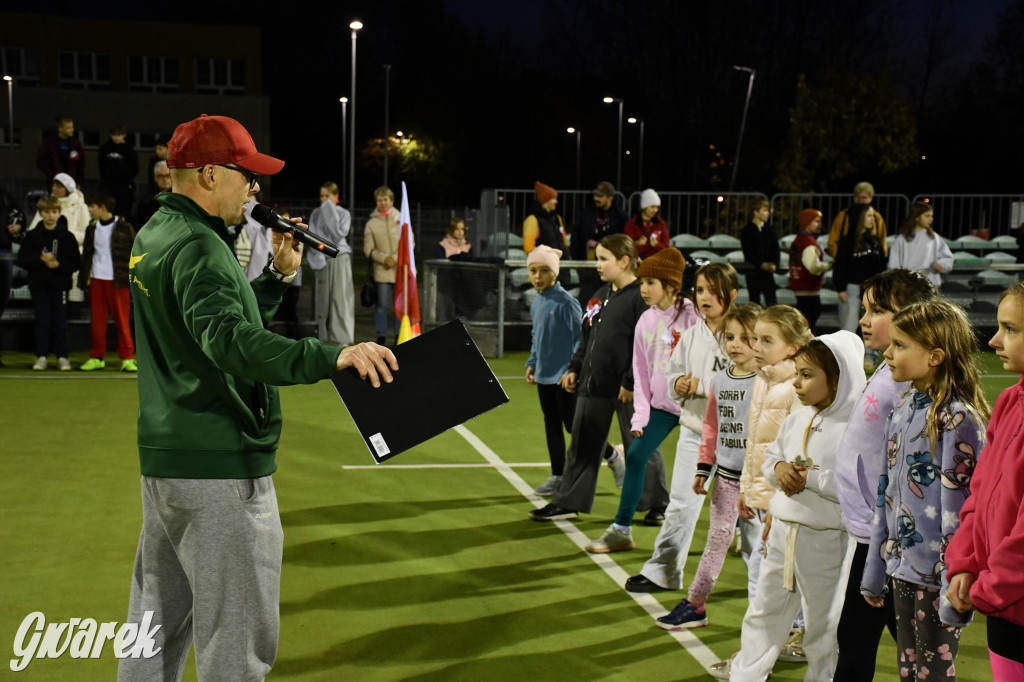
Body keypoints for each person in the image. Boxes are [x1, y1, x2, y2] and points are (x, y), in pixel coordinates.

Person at [117, 114, 398, 682]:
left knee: (153, 633)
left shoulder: (157, 232)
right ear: (211, 174)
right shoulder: (199, 245)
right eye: (247, 175)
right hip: (219, 466)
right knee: (236, 647)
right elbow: (227, 341)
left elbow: (207, 323)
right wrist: (330, 355)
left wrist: (273, 277)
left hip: (168, 463)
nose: (254, 189)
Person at [861, 299, 989, 682]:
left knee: (932, 674)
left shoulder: (958, 418)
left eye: (900, 345)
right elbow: (887, 495)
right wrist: (875, 569)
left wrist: (955, 581)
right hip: (903, 570)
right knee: (909, 671)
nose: (887, 352)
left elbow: (961, 510)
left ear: (934, 355)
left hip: (938, 577)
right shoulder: (902, 408)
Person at [730, 331, 867, 682]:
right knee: (764, 612)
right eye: (797, 374)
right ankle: (746, 675)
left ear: (838, 379)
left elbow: (859, 487)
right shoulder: (797, 417)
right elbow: (772, 455)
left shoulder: (857, 429)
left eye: (808, 375)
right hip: (783, 536)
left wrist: (812, 481)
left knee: (823, 625)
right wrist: (778, 469)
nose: (797, 383)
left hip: (826, 542)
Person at [832, 269, 938, 682]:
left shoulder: (911, 385)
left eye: (877, 310)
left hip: (892, 536)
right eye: (865, 309)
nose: (864, 319)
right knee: (859, 634)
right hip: (872, 532)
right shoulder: (886, 369)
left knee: (910, 646)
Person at [529, 234, 669, 522]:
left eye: (604, 259)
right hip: (593, 384)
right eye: (598, 259)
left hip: (630, 389)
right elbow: (587, 338)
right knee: (582, 444)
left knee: (641, 448)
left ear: (624, 261)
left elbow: (646, 346)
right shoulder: (601, 294)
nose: (598, 265)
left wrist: (630, 382)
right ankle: (568, 502)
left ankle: (657, 504)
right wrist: (575, 368)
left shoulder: (640, 298)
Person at [708, 304, 813, 677]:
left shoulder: (796, 388)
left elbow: (797, 455)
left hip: (785, 505)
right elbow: (758, 444)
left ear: (793, 346)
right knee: (780, 581)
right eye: (755, 338)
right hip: (767, 500)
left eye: (766, 340)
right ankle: (783, 644)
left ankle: (755, 661)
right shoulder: (765, 380)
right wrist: (748, 491)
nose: (754, 346)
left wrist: (776, 507)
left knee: (764, 580)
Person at [625, 263, 738, 591]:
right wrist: (679, 385)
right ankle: (663, 571)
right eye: (700, 290)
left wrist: (699, 385)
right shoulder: (692, 335)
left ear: (731, 295)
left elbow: (746, 382)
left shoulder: (745, 332)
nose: (705, 297)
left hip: (738, 438)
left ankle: (777, 599)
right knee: (682, 502)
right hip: (696, 429)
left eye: (714, 291)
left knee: (753, 515)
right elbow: (672, 376)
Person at [654, 303, 762, 629]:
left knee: (760, 550)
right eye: (730, 337)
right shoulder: (719, 381)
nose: (735, 344)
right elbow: (712, 427)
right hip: (727, 481)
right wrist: (704, 466)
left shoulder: (769, 383)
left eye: (746, 338)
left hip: (759, 485)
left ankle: (769, 619)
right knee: (717, 540)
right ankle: (695, 604)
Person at [585, 248, 699, 552]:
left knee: (723, 467)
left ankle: (745, 529)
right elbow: (640, 371)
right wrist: (640, 417)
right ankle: (622, 529)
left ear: (671, 286)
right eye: (643, 281)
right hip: (663, 408)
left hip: (698, 407)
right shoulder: (646, 320)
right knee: (635, 456)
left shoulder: (693, 314)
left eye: (650, 282)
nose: (643, 289)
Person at [946, 282, 1024, 680]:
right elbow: (979, 493)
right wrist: (965, 563)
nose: (994, 340)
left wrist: (989, 587)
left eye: (1011, 329)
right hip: (1002, 606)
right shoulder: (1010, 400)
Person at [525, 245, 582, 496]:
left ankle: (612, 456)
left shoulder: (567, 303)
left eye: (544, 270)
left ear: (555, 273)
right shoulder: (537, 302)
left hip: (564, 378)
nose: (538, 276)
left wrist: (572, 369)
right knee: (552, 426)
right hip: (544, 377)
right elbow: (537, 336)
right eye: (533, 271)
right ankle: (558, 475)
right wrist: (532, 362)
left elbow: (582, 339)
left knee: (573, 427)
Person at [16, 194, 81, 371]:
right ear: (41, 213)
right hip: (39, 286)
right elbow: (22, 259)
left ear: (59, 213)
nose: (51, 216)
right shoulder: (32, 236)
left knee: (60, 322)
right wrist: (40, 259)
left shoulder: (67, 237)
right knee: (42, 322)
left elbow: (76, 262)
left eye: (54, 212)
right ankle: (41, 357)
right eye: (46, 212)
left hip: (60, 287)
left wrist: (58, 264)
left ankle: (62, 357)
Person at [78, 191, 137, 372]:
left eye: (92, 206)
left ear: (102, 208)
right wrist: (84, 278)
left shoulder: (124, 227)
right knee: (97, 321)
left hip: (117, 281)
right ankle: (97, 356)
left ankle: (127, 357)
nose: (89, 210)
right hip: (96, 279)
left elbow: (134, 252)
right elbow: (88, 255)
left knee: (122, 320)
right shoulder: (91, 228)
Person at [308, 181, 354, 347]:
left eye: (327, 196)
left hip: (340, 257)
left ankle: (341, 338)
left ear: (336, 197)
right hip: (322, 259)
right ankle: (320, 335)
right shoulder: (315, 213)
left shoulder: (343, 214)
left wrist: (329, 211)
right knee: (322, 299)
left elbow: (338, 234)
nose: (323, 200)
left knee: (340, 297)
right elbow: (312, 235)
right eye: (321, 196)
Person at [832, 203, 887, 333]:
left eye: (872, 216)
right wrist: (841, 288)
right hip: (852, 289)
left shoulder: (875, 241)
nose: (872, 219)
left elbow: (882, 267)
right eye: (869, 216)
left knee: (871, 328)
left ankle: (869, 354)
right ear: (859, 218)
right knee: (849, 326)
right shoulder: (847, 241)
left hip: (872, 290)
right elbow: (840, 266)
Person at [574, 181, 629, 303]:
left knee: (608, 299)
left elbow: (624, 241)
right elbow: (576, 239)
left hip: (611, 266)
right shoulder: (585, 214)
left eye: (600, 196)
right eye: (595, 195)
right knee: (587, 299)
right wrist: (578, 263)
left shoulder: (620, 216)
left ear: (610, 197)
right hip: (588, 266)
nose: (596, 198)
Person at [363, 186, 404, 345]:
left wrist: (394, 258)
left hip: (399, 269)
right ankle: (381, 336)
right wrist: (383, 258)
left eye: (385, 199)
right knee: (382, 305)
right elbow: (368, 249)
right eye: (379, 200)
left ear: (391, 201)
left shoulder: (401, 219)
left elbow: (409, 243)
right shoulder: (371, 223)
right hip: (381, 271)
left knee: (399, 305)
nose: (382, 202)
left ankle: (399, 336)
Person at [888, 201, 954, 288]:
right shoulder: (902, 239)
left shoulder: (933, 237)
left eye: (931, 216)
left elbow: (947, 257)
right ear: (916, 217)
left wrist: (941, 265)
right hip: (908, 284)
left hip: (930, 283)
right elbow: (894, 264)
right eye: (927, 216)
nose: (931, 219)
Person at [788, 208, 832, 331]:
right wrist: (827, 266)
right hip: (808, 288)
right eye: (816, 221)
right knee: (810, 320)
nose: (819, 224)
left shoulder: (798, 240)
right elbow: (813, 267)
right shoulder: (809, 242)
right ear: (807, 223)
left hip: (799, 286)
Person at [827, 181, 889, 259]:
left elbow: (882, 242)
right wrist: (840, 258)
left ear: (871, 198)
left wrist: (879, 259)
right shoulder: (843, 216)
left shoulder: (877, 218)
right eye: (858, 197)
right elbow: (832, 241)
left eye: (864, 197)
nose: (860, 200)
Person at [740, 199, 780, 307]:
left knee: (771, 302)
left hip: (768, 272)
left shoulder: (769, 229)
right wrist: (761, 264)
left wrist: (774, 263)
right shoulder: (747, 230)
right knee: (754, 303)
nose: (768, 213)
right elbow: (748, 253)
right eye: (765, 210)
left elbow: (776, 249)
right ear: (756, 212)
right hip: (753, 271)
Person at [98, 123, 139, 223]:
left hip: (123, 187)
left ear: (124, 135)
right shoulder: (105, 148)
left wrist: (126, 179)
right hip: (107, 186)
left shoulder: (129, 150)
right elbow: (101, 165)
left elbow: (135, 168)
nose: (116, 138)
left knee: (121, 211)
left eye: (118, 135)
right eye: (114, 135)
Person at [36, 114, 85, 185]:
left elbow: (81, 164)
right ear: (60, 129)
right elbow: (40, 160)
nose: (72, 130)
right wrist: (51, 175)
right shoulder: (50, 143)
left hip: (71, 181)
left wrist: (79, 182)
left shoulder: (76, 144)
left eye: (72, 127)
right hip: (56, 181)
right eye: (68, 128)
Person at [523, 181, 568, 256]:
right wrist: (544, 257)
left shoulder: (557, 218)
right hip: (545, 263)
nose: (556, 202)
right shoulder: (532, 219)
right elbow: (529, 247)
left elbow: (563, 239)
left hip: (561, 260)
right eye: (553, 199)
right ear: (545, 200)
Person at [624, 189, 669, 259]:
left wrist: (657, 245)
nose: (655, 210)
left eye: (657, 207)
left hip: (657, 261)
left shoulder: (661, 224)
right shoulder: (632, 224)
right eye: (652, 207)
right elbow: (626, 248)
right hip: (638, 261)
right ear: (644, 207)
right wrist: (636, 244)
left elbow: (666, 248)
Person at [136, 160, 172, 226]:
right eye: (161, 176)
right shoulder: (146, 201)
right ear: (155, 178)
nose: (164, 179)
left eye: (167, 175)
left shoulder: (179, 198)